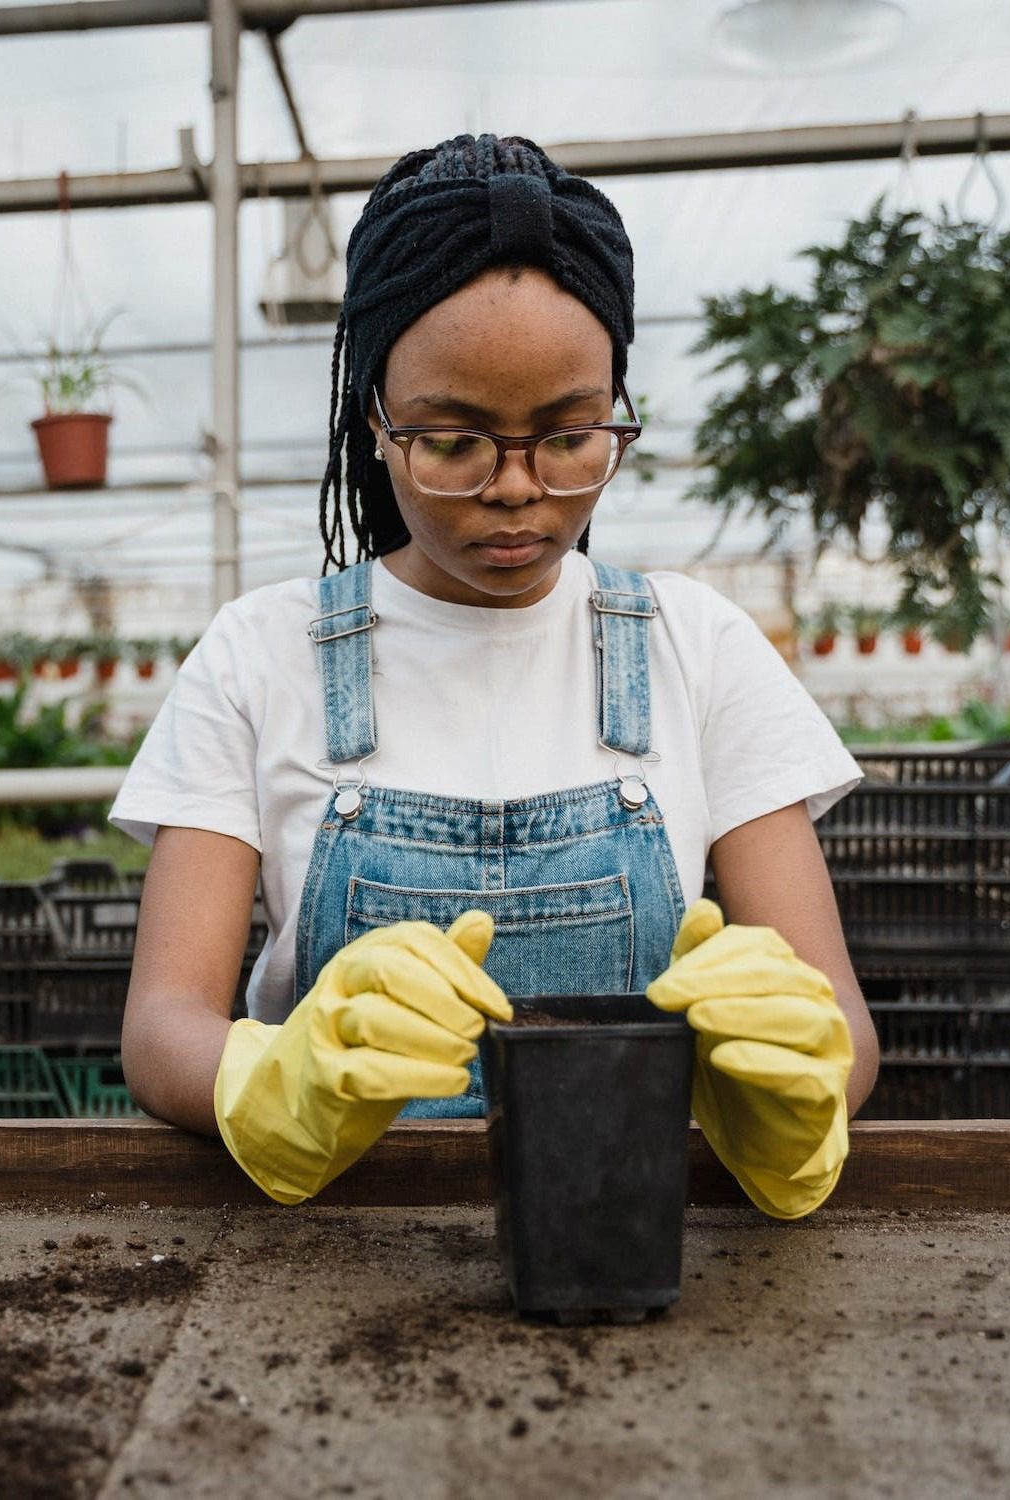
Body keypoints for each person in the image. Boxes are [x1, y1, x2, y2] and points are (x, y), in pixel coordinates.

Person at [109, 132, 878, 1219]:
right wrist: (268, 1078)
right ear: (373, 420)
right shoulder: (258, 654)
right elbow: (160, 1025)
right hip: (337, 1261)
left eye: (570, 436)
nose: (517, 490)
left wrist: (792, 1089)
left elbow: (839, 1021)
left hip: (626, 1236)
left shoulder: (696, 645)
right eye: (455, 441)